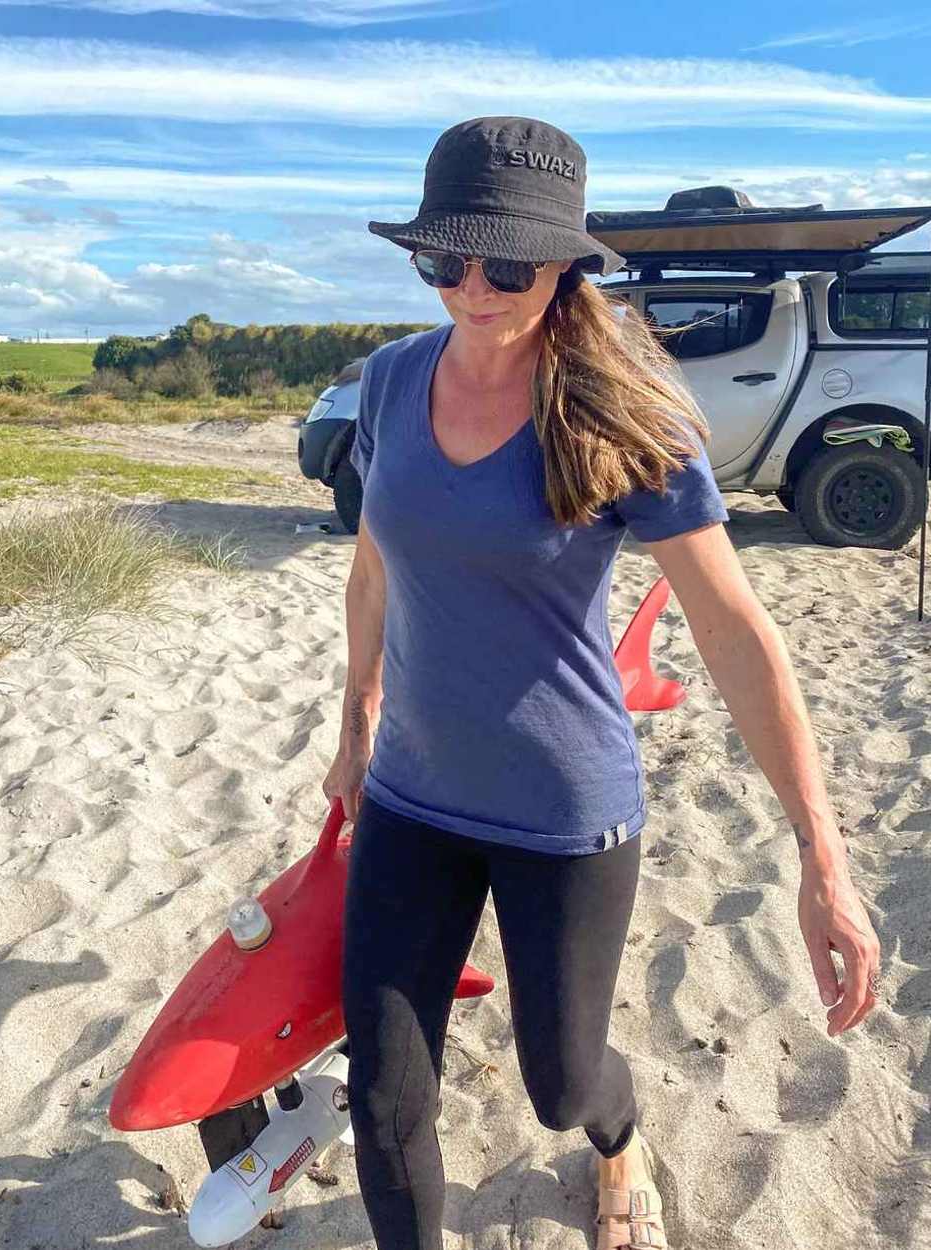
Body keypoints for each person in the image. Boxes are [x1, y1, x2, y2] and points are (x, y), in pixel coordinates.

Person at [323, 115, 881, 1250]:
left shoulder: (621, 411)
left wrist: (820, 853)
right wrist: (356, 718)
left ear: (565, 263)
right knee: (381, 1095)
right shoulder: (388, 382)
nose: (472, 290)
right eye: (444, 260)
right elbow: (373, 564)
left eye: (507, 265)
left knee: (562, 1085)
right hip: (410, 798)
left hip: (562, 813)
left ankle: (618, 1141)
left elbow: (732, 628)